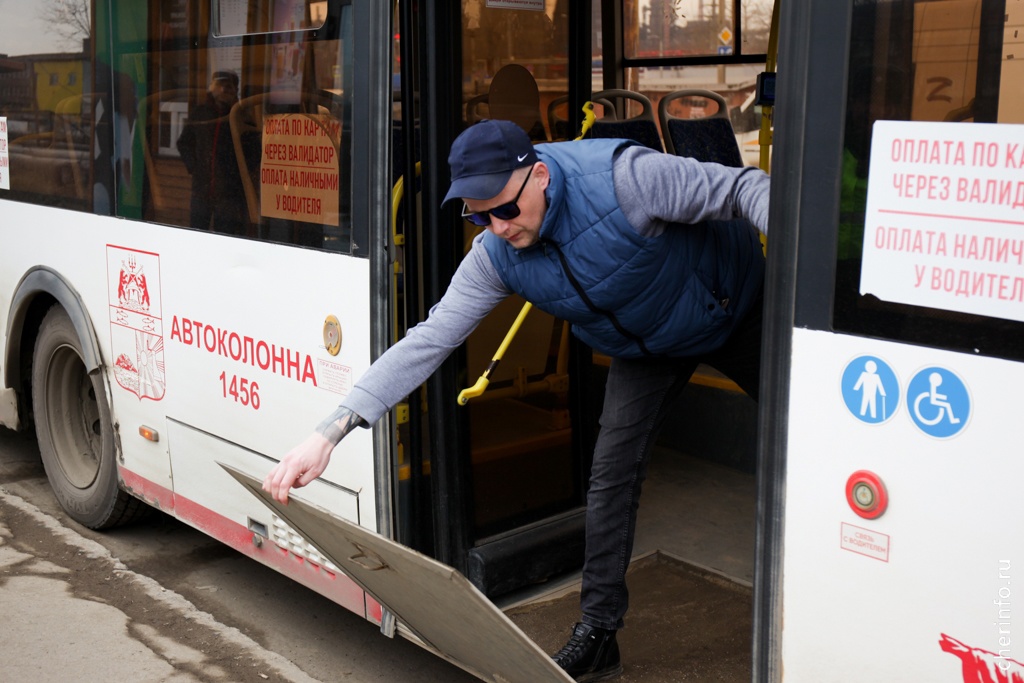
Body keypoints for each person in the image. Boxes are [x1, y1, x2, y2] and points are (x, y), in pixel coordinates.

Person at [263, 118, 770, 682]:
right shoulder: (494, 256)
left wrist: (813, 280)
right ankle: (599, 636)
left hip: (738, 307)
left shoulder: (626, 179)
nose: (497, 227)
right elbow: (429, 339)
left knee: (814, 437)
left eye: (505, 209)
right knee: (609, 477)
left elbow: (744, 188)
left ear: (542, 175)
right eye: (480, 215)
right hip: (643, 344)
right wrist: (329, 431)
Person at [176, 70, 248, 235]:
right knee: (197, 234)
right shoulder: (201, 112)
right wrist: (194, 167)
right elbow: (184, 143)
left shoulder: (240, 117)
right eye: (221, 86)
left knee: (225, 237)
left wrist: (237, 176)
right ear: (212, 88)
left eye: (229, 87)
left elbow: (252, 150)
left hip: (228, 194)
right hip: (201, 190)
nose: (225, 90)